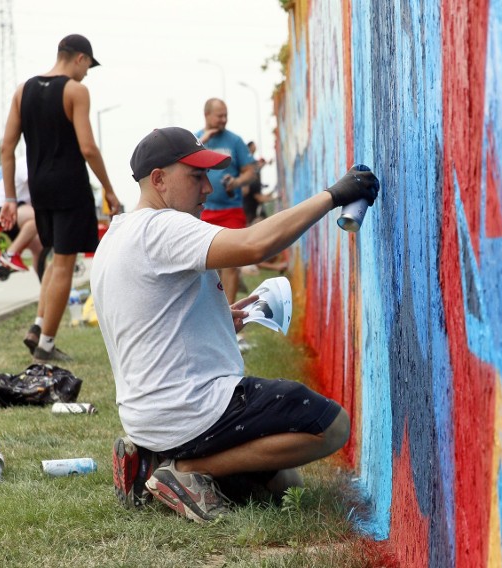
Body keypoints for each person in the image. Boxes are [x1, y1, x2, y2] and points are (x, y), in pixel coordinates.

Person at [91, 127, 379, 522]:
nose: (207, 189)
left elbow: (144, 319)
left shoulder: (118, 234)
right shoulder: (163, 226)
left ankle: (150, 462)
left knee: (284, 485)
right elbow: (255, 245)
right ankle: (188, 472)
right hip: (192, 409)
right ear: (158, 179)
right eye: (195, 176)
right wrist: (333, 196)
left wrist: (218, 320)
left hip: (148, 414)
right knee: (331, 427)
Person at [0, 34, 120, 364]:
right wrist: (109, 189)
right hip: (69, 186)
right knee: (66, 263)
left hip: (39, 189)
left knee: (54, 259)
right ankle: (46, 348)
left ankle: (39, 327)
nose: (87, 73)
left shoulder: (22, 90)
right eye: (88, 66)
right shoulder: (76, 91)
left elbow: (6, 148)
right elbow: (88, 148)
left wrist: (10, 196)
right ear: (80, 58)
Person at [196, 98, 257, 305]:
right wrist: (203, 139)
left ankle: (230, 315)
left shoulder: (235, 141)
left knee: (231, 263)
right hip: (202, 211)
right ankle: (210, 312)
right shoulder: (195, 139)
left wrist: (237, 182)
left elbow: (251, 171)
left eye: (226, 115)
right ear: (207, 115)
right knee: (205, 265)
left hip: (231, 210)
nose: (223, 120)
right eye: (219, 115)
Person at [0, 156, 43, 273]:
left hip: (17, 209)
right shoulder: (26, 163)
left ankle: (48, 290)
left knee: (39, 249)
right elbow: (38, 185)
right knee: (39, 218)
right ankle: (10, 254)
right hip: (0, 207)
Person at [241, 141, 276, 226]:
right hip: (250, 212)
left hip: (250, 211)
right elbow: (259, 198)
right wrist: (274, 198)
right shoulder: (252, 181)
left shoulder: (253, 181)